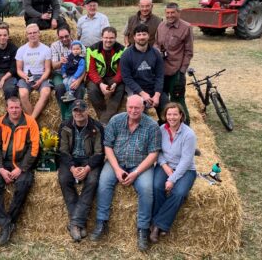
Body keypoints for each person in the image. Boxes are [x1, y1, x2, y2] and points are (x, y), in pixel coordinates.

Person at [91, 95, 161, 252]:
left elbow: (153, 154)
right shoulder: (116, 120)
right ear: (126, 106)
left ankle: (143, 229)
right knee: (103, 183)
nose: (133, 110)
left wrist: (136, 173)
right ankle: (102, 222)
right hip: (116, 161)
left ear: (143, 108)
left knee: (147, 189)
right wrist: (116, 169)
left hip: (140, 165)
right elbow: (107, 146)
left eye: (137, 108)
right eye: (131, 107)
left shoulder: (152, 126)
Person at [0, 97, 40, 246]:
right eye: (11, 108)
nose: (14, 110)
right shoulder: (0, 122)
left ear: (21, 107)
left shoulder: (30, 122)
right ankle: (7, 224)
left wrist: (21, 168)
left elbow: (34, 148)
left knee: (23, 184)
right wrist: (0, 168)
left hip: (22, 164)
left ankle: (8, 222)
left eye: (17, 107)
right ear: (6, 108)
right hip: (3, 163)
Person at [57, 99, 105, 242]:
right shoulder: (65, 126)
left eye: (81, 110)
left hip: (89, 161)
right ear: (72, 112)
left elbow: (99, 153)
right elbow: (63, 151)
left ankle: (74, 223)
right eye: (75, 110)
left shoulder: (97, 127)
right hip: (71, 160)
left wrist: (87, 168)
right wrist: (72, 168)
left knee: (92, 181)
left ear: (88, 110)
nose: (78, 113)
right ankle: (79, 223)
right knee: (64, 179)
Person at [151, 102, 196, 243]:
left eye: (175, 114)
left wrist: (172, 179)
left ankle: (157, 225)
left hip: (185, 169)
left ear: (181, 115)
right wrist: (164, 166)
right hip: (165, 166)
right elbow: (157, 151)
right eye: (169, 114)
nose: (172, 117)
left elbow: (186, 160)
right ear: (165, 115)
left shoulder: (189, 134)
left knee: (179, 193)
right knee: (157, 186)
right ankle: (159, 224)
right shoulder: (161, 130)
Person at [155, 3, 193, 125]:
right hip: (161, 71)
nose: (170, 15)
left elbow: (188, 52)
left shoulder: (186, 27)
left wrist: (181, 71)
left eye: (172, 12)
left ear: (178, 12)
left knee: (178, 101)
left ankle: (186, 126)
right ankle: (165, 123)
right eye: (168, 13)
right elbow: (156, 43)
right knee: (162, 100)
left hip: (175, 71)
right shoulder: (161, 26)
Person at [120, 24, 167, 121]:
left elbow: (159, 75)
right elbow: (127, 78)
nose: (141, 37)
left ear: (148, 36)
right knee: (140, 115)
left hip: (153, 88)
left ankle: (162, 129)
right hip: (136, 89)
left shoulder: (156, 53)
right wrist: (142, 94)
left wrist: (157, 95)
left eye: (144, 34)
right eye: (139, 34)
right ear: (134, 37)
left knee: (167, 110)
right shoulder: (126, 55)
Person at [86, 27, 125, 125]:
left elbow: (122, 70)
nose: (108, 40)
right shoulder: (91, 50)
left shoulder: (122, 50)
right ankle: (104, 118)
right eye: (106, 37)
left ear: (116, 38)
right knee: (92, 89)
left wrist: (115, 82)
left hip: (114, 77)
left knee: (120, 88)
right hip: (98, 77)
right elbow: (91, 71)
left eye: (111, 38)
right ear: (101, 37)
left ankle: (103, 121)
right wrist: (100, 84)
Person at [16, 23, 52, 120]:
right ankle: (34, 121)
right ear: (27, 35)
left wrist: (40, 81)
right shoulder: (21, 50)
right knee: (22, 94)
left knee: (46, 92)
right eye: (30, 33)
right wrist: (25, 77)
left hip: (41, 76)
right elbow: (19, 70)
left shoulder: (46, 49)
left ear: (39, 33)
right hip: (26, 76)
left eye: (35, 32)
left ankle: (31, 120)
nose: (32, 35)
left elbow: (48, 69)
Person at [50, 27, 84, 120]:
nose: (64, 39)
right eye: (61, 37)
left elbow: (84, 66)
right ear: (57, 37)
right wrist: (60, 62)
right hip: (60, 74)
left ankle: (74, 117)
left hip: (75, 74)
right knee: (60, 88)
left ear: (71, 34)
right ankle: (65, 118)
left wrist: (78, 80)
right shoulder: (54, 46)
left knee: (78, 89)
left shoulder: (79, 45)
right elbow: (54, 66)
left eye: (66, 36)